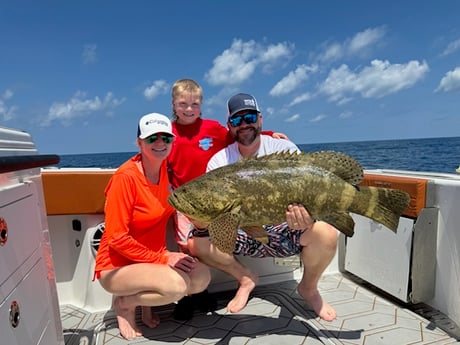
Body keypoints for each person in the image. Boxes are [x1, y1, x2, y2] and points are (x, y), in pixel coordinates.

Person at [187, 93, 339, 322]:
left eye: (249, 117)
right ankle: (246, 278)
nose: (244, 124)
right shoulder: (219, 161)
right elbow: (215, 214)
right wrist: (199, 222)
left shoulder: (283, 148)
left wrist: (308, 217)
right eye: (237, 121)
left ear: (260, 119)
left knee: (326, 234)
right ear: (230, 126)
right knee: (196, 243)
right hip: (242, 231)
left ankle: (308, 288)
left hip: (284, 228)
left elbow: (308, 192)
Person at [166, 79, 291, 319]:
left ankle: (205, 289)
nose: (189, 109)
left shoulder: (212, 128)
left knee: (205, 241)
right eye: (183, 104)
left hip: (215, 198)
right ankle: (189, 295)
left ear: (201, 104)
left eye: (194, 103)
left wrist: (267, 134)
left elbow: (241, 133)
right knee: (185, 247)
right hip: (185, 198)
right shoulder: (168, 133)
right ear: (174, 104)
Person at [94, 113, 211, 340]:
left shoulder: (167, 170)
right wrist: (165, 258)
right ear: (139, 142)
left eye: (166, 138)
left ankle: (145, 305)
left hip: (150, 260)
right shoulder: (125, 178)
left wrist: (267, 134)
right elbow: (117, 238)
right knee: (177, 287)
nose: (160, 143)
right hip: (115, 266)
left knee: (201, 277)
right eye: (152, 138)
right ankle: (126, 304)